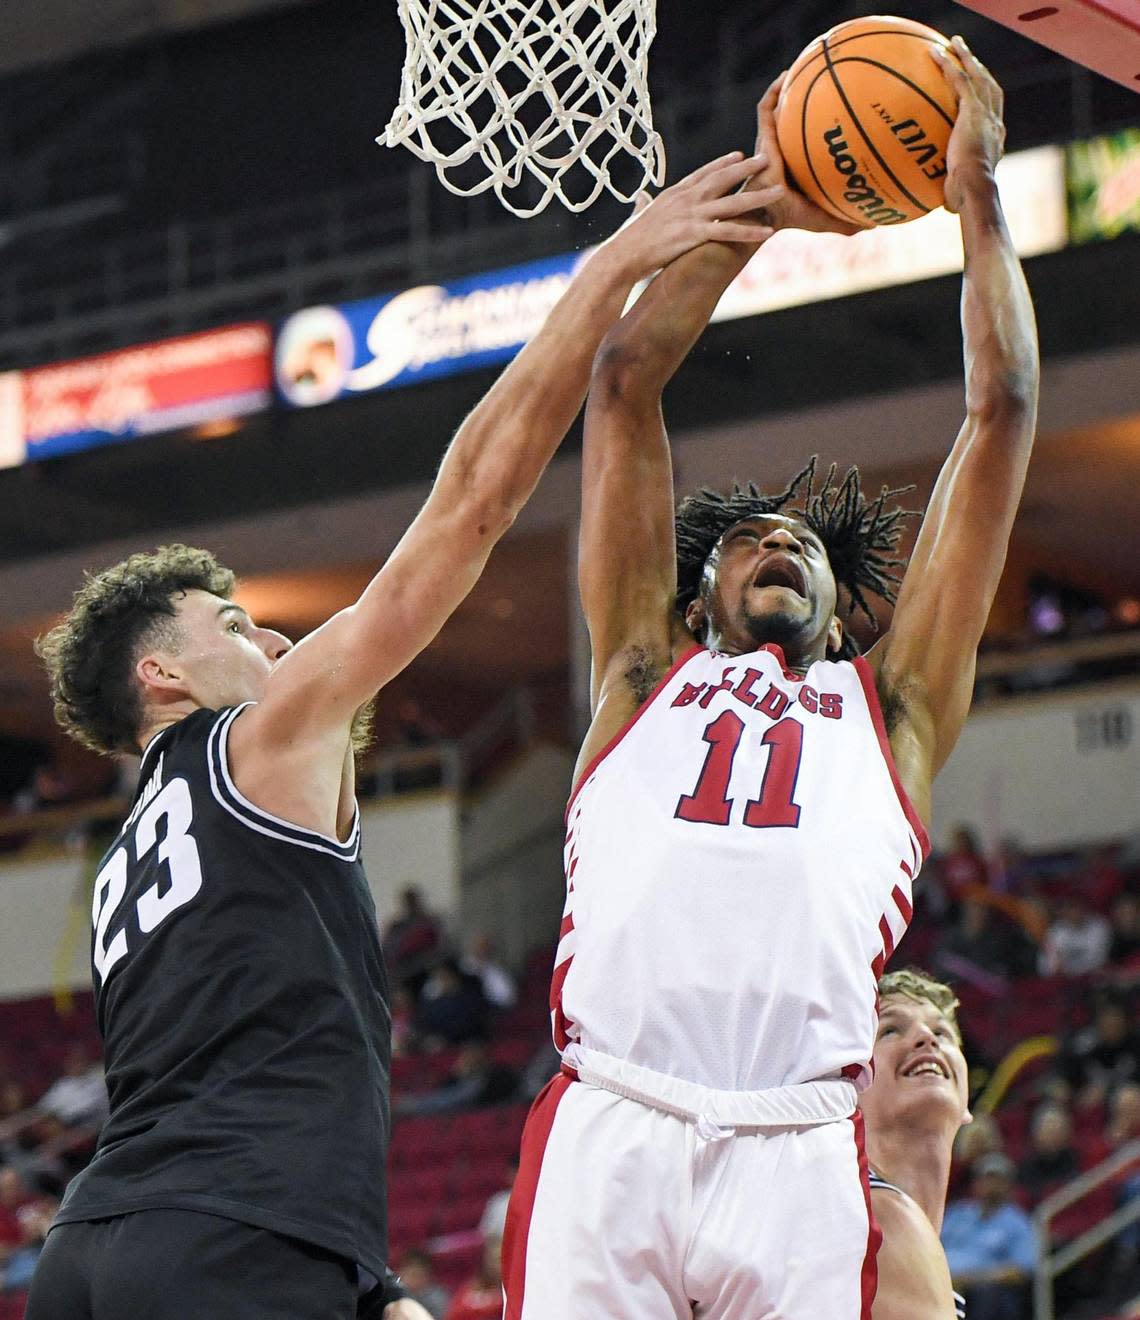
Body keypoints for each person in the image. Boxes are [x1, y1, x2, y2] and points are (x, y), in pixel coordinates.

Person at [25, 155, 775, 1320]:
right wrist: (617, 261)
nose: (270, 640)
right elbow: (469, 500)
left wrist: (370, 1290)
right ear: (161, 675)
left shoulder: (135, 848)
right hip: (233, 1238)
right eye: (232, 624)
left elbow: (236, 1066)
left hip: (110, 1249)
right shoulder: (257, 742)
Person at [503, 40, 1040, 1319]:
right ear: (697, 600)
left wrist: (977, 197)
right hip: (612, 1118)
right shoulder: (640, 676)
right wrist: (765, 204)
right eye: (745, 538)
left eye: (798, 540)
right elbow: (626, 383)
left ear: (840, 606)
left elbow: (1005, 403)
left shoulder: (892, 713)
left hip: (804, 1143)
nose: (778, 539)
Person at [857, 969, 971, 1319]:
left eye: (942, 1032)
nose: (926, 1038)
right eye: (890, 1029)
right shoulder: (864, 1219)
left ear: (967, 1106)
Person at [941, 1153, 1038, 1320]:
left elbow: (1021, 1270)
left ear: (1009, 1185)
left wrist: (971, 1279)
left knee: (989, 1295)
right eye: (986, 1179)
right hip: (942, 1281)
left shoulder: (1018, 1223)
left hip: (982, 1289)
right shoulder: (957, 1214)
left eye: (997, 1180)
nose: (990, 1185)